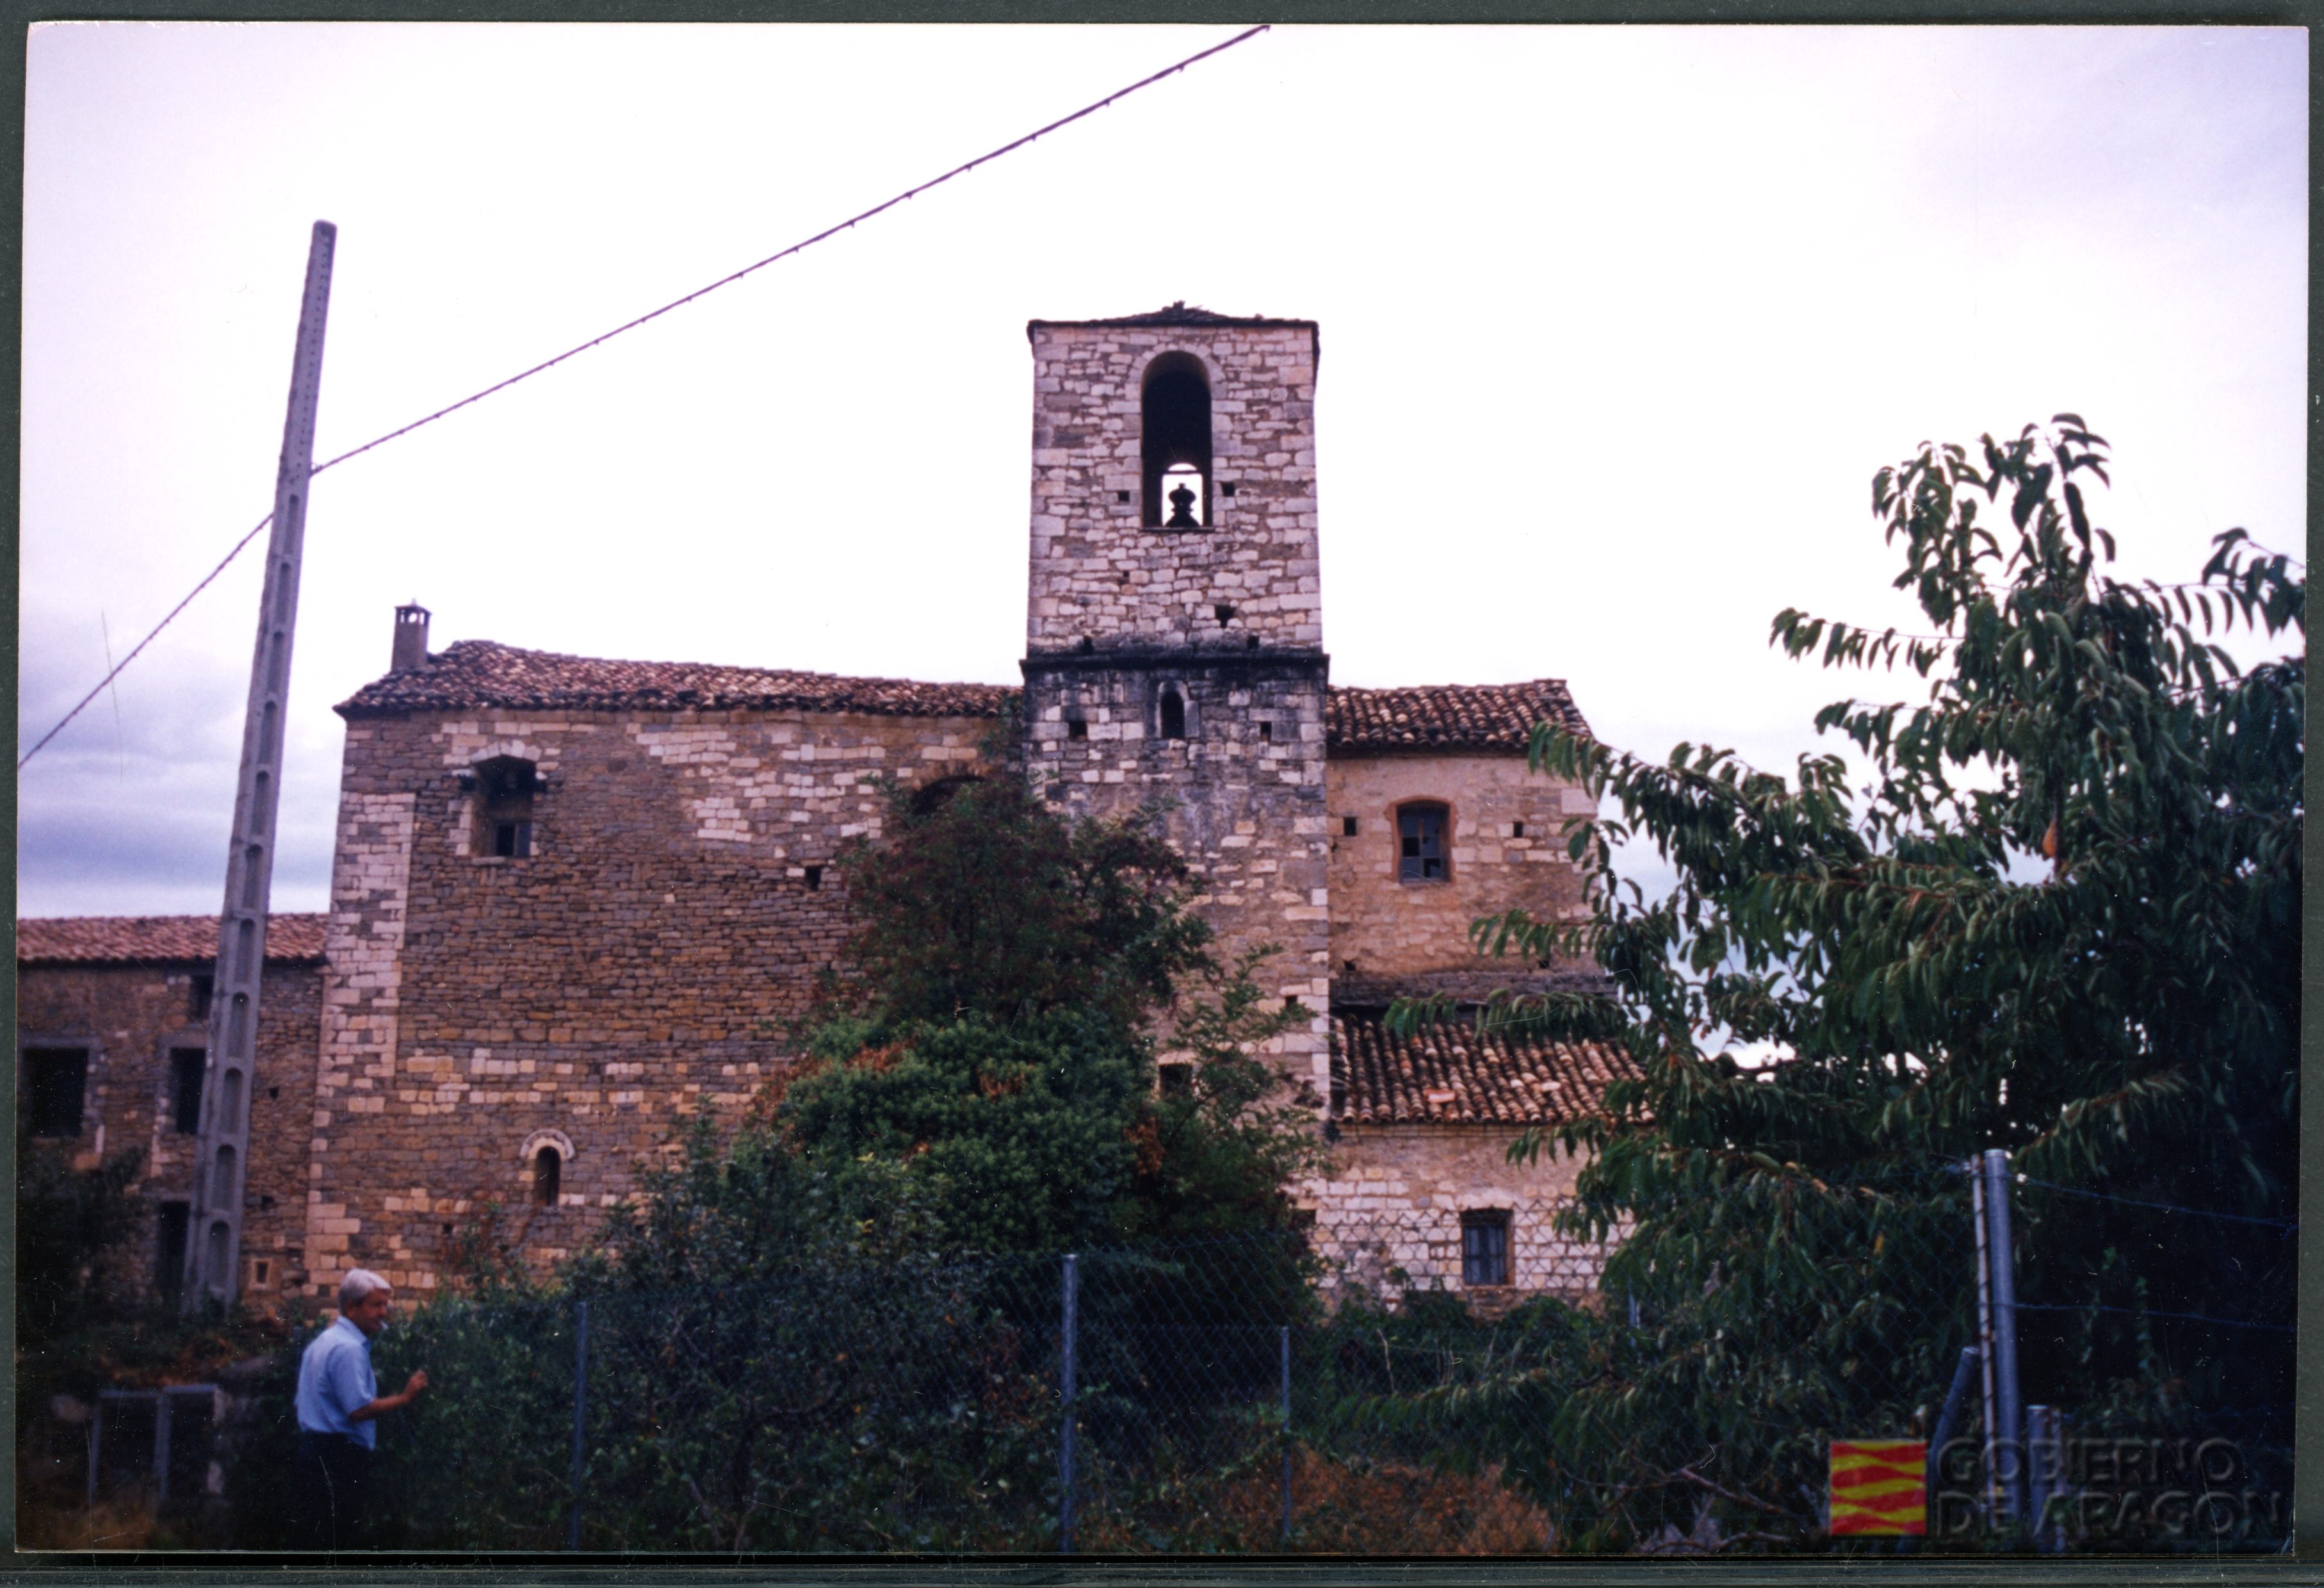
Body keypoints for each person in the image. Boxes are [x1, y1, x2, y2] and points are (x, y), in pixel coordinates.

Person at [291, 1269, 428, 1549]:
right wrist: (405, 1397)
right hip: (338, 1458)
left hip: (313, 1453)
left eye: (385, 1305)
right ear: (351, 1307)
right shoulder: (349, 1349)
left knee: (317, 1542)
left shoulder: (323, 1342)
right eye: (376, 1305)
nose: (384, 1312)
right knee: (338, 1543)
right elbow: (359, 1410)